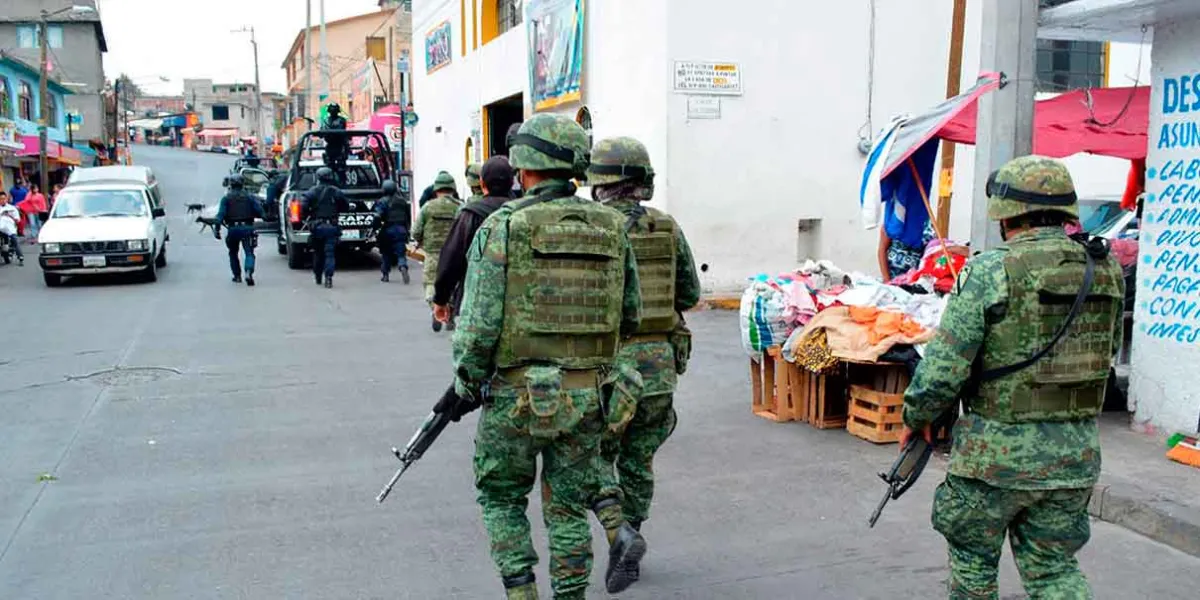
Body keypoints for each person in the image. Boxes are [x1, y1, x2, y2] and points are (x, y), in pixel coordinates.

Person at [901, 155, 1125, 599]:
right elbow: (1108, 350)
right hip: (1073, 457)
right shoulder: (1105, 268)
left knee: (974, 570)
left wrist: (916, 417)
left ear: (1004, 213)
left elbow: (943, 370)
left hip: (993, 460)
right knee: (1054, 571)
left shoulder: (989, 270)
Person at [446, 113, 641, 600]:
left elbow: (478, 325)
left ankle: (521, 593)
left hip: (514, 398)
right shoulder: (613, 228)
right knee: (569, 509)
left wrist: (469, 382)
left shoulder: (504, 225)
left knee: (501, 495)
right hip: (587, 397)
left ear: (523, 167)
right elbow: (631, 315)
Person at [585, 137, 701, 593]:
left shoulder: (593, 227)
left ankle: (619, 533)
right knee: (638, 461)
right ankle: (631, 531)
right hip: (658, 367)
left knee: (592, 458)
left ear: (601, 182)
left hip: (606, 368)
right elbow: (689, 294)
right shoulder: (666, 228)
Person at [433, 157, 514, 325]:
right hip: (517, 302)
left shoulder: (471, 215)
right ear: (512, 183)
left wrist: (441, 299)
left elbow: (451, 259)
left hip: (476, 300)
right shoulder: (523, 212)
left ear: (482, 184)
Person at [411, 171, 462, 332]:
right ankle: (451, 312)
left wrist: (420, 241)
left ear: (436, 189)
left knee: (431, 284)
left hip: (433, 254)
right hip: (454, 255)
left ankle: (436, 307)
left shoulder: (427, 207)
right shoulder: (460, 207)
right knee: (453, 284)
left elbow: (415, 231)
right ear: (453, 188)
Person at [302, 166, 350, 288]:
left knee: (318, 253)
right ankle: (329, 277)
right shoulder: (336, 192)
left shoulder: (312, 191)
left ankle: (318, 276)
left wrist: (308, 218)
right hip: (332, 226)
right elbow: (345, 206)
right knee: (330, 254)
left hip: (317, 227)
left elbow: (303, 206)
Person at [216, 175, 264, 286]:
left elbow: (220, 216)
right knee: (249, 252)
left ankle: (237, 276)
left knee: (233, 252)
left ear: (231, 185)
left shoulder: (226, 198)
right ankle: (248, 271)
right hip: (248, 228)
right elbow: (260, 211)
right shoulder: (249, 197)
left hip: (233, 229)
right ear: (242, 184)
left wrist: (217, 230)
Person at [374, 179, 412, 284]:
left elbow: (377, 216)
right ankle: (402, 266)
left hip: (388, 230)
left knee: (386, 254)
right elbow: (407, 217)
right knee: (401, 253)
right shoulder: (402, 201)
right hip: (401, 230)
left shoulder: (382, 201)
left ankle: (385, 274)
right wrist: (408, 231)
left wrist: (375, 228)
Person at [322, 103, 349, 179]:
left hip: (339, 145)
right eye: (331, 110)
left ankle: (341, 180)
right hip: (330, 146)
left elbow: (342, 133)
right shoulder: (325, 120)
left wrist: (346, 147)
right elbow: (321, 132)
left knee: (341, 167)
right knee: (329, 166)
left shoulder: (341, 120)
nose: (333, 112)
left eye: (334, 110)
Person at [0, 191, 24, 265]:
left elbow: (18, 219)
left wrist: (10, 216)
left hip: (10, 228)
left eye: (4, 198)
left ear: (6, 199)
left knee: (15, 240)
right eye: (1, 199)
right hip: (0, 228)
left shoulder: (12, 208)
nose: (2, 200)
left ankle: (20, 257)